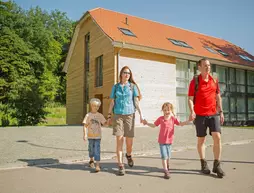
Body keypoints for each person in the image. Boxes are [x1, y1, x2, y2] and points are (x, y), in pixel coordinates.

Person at [188, 58, 225, 178]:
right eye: (205, 65)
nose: (208, 67)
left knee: (217, 137)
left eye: (209, 65)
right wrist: (192, 111)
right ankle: (203, 163)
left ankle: (217, 164)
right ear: (199, 67)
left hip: (213, 113)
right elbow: (190, 98)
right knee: (201, 140)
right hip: (200, 115)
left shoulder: (214, 80)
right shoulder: (195, 81)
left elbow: (218, 96)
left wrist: (221, 111)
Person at [107, 66, 144, 176]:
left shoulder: (132, 87)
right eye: (125, 72)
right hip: (118, 115)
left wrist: (141, 115)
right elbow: (112, 102)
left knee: (129, 142)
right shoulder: (116, 87)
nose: (127, 74)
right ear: (121, 74)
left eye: (128, 73)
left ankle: (128, 155)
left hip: (129, 115)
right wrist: (109, 116)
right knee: (119, 139)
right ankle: (120, 165)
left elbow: (136, 102)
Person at [143, 102, 190, 179]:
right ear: (163, 111)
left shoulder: (173, 119)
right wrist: (146, 123)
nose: (167, 112)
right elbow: (154, 125)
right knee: (164, 156)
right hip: (162, 141)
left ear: (171, 110)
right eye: (165, 110)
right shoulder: (160, 119)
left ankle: (167, 166)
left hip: (170, 141)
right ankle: (166, 171)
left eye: (168, 110)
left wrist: (189, 120)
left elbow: (180, 124)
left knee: (168, 156)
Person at [82, 98, 107, 172]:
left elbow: (105, 124)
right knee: (91, 150)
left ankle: (97, 165)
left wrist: (109, 120)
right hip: (90, 136)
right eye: (94, 106)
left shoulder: (100, 115)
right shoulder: (88, 115)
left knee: (97, 150)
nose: (96, 107)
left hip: (98, 136)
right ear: (91, 106)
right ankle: (91, 160)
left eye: (97, 106)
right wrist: (85, 134)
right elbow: (85, 126)